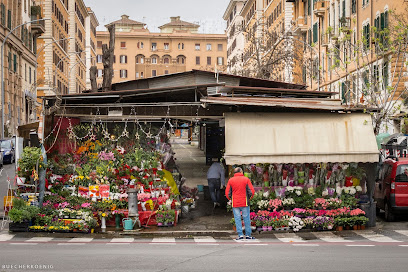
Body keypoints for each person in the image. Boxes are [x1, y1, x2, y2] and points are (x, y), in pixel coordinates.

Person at [225, 167, 256, 240]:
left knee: (237, 218)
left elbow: (227, 193)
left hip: (235, 203)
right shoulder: (246, 179)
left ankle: (240, 235)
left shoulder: (231, 180)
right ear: (241, 172)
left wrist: (231, 199)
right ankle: (248, 235)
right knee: (246, 219)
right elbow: (252, 192)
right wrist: (249, 199)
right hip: (244, 202)